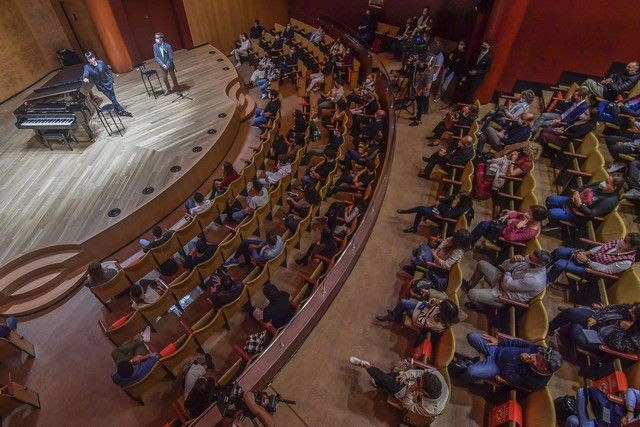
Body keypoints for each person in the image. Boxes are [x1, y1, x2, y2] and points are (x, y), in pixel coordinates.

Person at [455, 332, 562, 391]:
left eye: (538, 359)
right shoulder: (539, 350)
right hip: (498, 349)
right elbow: (520, 343)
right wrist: (499, 342)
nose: (535, 355)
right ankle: (470, 363)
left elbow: (509, 377)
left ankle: (459, 375)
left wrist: (522, 361)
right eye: (538, 354)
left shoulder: (536, 382)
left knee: (470, 371)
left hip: (497, 367)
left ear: (544, 368)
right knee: (472, 336)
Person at [348, 356, 448, 417]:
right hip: (413, 385)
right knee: (392, 378)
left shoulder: (431, 409)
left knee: (386, 380)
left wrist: (411, 390)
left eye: (419, 383)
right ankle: (378, 380)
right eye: (419, 380)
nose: (418, 380)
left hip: (410, 397)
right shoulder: (436, 376)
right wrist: (406, 375)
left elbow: (408, 406)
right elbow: (419, 373)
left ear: (424, 392)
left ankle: (364, 365)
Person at [463, 250, 551, 309]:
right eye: (529, 256)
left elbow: (507, 286)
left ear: (538, 265)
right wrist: (512, 261)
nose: (526, 258)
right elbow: (504, 266)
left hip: (505, 295)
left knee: (471, 294)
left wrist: (508, 270)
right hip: (503, 279)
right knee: (481, 264)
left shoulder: (534, 280)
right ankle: (470, 284)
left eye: (530, 259)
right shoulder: (530, 260)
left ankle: (482, 306)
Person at [546, 233, 640, 284]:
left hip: (593, 271)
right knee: (560, 251)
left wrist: (587, 261)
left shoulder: (626, 262)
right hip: (589, 257)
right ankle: (543, 267)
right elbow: (601, 247)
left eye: (626, 242)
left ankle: (546, 281)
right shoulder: (619, 243)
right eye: (624, 239)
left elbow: (606, 270)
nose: (622, 242)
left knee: (560, 264)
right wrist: (587, 253)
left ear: (633, 248)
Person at [548, 303, 640, 354]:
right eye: (631, 308)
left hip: (600, 339)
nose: (629, 311)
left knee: (576, 329)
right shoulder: (628, 309)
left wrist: (621, 329)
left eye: (632, 312)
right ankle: (550, 328)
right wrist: (596, 318)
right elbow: (610, 308)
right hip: (599, 320)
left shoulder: (636, 338)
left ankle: (570, 325)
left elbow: (616, 346)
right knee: (571, 313)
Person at [544, 175, 624, 230]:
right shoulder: (602, 184)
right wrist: (576, 192)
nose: (604, 183)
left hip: (578, 215)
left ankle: (554, 224)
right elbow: (584, 187)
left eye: (607, 183)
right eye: (606, 180)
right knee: (550, 200)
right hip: (573, 202)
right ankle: (555, 221)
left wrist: (579, 204)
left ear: (614, 188)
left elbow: (591, 214)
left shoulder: (610, 201)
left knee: (551, 213)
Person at [473, 143, 541, 199]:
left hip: (508, 178)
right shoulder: (522, 154)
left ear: (530, 154)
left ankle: (481, 194)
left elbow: (511, 174)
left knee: (480, 173)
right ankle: (475, 188)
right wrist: (511, 155)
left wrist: (513, 160)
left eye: (526, 149)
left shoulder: (527, 164)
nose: (524, 149)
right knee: (481, 165)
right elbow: (507, 160)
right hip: (504, 168)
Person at [403, 229, 471, 280]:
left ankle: (414, 268)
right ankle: (416, 266)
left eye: (455, 237)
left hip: (438, 267)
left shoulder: (458, 252)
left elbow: (446, 266)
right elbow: (446, 241)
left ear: (459, 241)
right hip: (436, 257)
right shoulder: (454, 239)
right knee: (421, 248)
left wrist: (433, 260)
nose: (453, 237)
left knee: (415, 258)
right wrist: (436, 251)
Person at [397, 191, 474, 234]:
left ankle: (406, 213)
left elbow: (446, 215)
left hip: (441, 218)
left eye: (458, 197)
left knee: (421, 209)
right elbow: (442, 200)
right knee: (421, 211)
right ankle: (414, 228)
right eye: (457, 195)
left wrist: (451, 205)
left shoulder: (461, 208)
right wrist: (448, 199)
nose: (456, 197)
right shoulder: (456, 198)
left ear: (463, 200)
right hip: (438, 209)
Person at [82, 52, 132, 117]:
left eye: (91, 58)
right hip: (101, 86)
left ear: (94, 57)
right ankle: (122, 111)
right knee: (112, 98)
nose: (91, 60)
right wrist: (85, 78)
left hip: (108, 82)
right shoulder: (87, 67)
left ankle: (117, 109)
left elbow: (108, 71)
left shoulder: (101, 62)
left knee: (113, 97)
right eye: (89, 59)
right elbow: (85, 73)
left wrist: (112, 80)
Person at [376, 296, 460, 335]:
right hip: (423, 307)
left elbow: (421, 320)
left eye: (440, 307)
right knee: (403, 302)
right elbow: (433, 301)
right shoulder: (445, 307)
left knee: (404, 305)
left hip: (420, 319)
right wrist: (433, 301)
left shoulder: (438, 323)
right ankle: (393, 316)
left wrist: (427, 307)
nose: (440, 305)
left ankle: (393, 316)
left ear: (444, 313)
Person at [470, 205, 548, 246]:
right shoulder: (529, 219)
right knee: (486, 224)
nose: (526, 214)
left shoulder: (530, 232)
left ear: (535, 219)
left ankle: (468, 243)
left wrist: (516, 227)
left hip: (503, 240)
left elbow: (509, 238)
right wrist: (509, 216)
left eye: (529, 214)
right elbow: (518, 214)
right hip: (504, 227)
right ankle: (470, 241)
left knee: (483, 225)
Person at [565, 386, 640, 427]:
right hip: (609, 417)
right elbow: (631, 391)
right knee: (582, 393)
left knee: (572, 420)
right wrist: (630, 412)